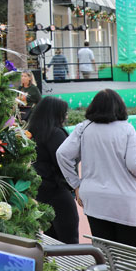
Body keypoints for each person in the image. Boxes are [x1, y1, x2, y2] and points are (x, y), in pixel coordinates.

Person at [56, 89, 136, 249]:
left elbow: (62, 154)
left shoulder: (83, 128)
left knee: (105, 253)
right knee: (135, 254)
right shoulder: (127, 129)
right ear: (119, 107)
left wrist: (75, 184)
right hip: (125, 201)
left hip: (94, 199)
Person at [29, 97, 77, 243]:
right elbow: (64, 161)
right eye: (64, 113)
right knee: (69, 237)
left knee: (52, 237)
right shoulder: (55, 134)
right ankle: (72, 266)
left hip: (42, 190)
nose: (66, 116)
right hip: (58, 190)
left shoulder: (33, 132)